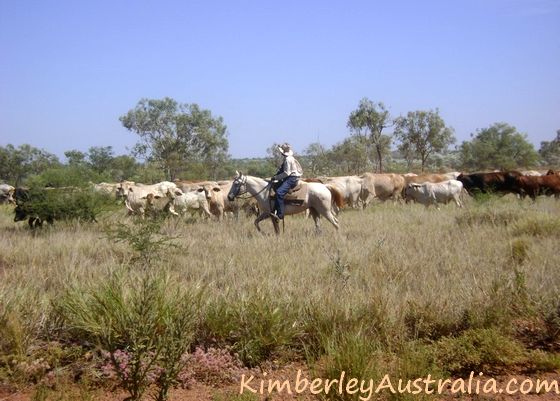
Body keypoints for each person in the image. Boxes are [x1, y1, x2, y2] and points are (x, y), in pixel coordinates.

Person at [270, 143, 303, 221]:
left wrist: (276, 177)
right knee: (275, 186)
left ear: (282, 152)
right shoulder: (290, 158)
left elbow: (286, 173)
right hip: (291, 177)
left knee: (279, 192)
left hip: (291, 178)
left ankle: (280, 215)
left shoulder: (288, 159)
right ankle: (275, 209)